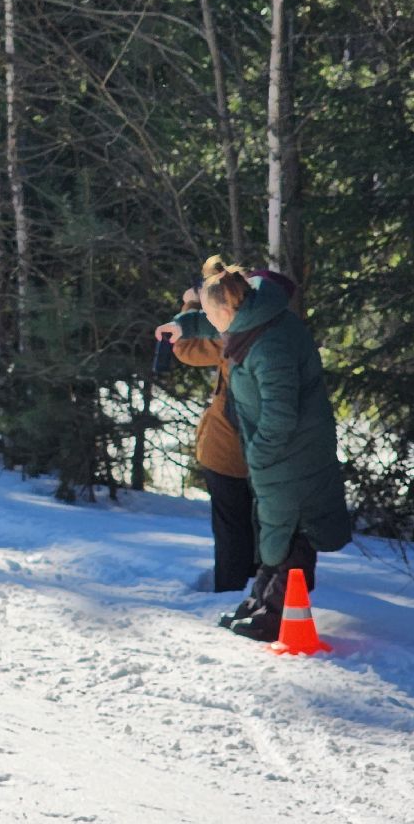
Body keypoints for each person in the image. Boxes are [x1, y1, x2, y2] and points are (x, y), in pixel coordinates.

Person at [157, 264, 352, 642]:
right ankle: (260, 601)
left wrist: (260, 457)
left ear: (229, 310)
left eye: (212, 315)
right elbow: (214, 325)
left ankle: (277, 616)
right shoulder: (253, 319)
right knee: (275, 526)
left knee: (293, 528)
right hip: (281, 454)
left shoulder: (269, 347)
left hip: (293, 454)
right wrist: (185, 326)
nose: (213, 323)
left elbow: (280, 415)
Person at [170, 265, 255, 594]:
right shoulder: (264, 329)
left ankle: (230, 591)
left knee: (232, 529)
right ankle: (251, 588)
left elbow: (185, 348)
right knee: (253, 526)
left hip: (226, 451)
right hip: (250, 453)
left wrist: (190, 304)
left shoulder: (231, 333)